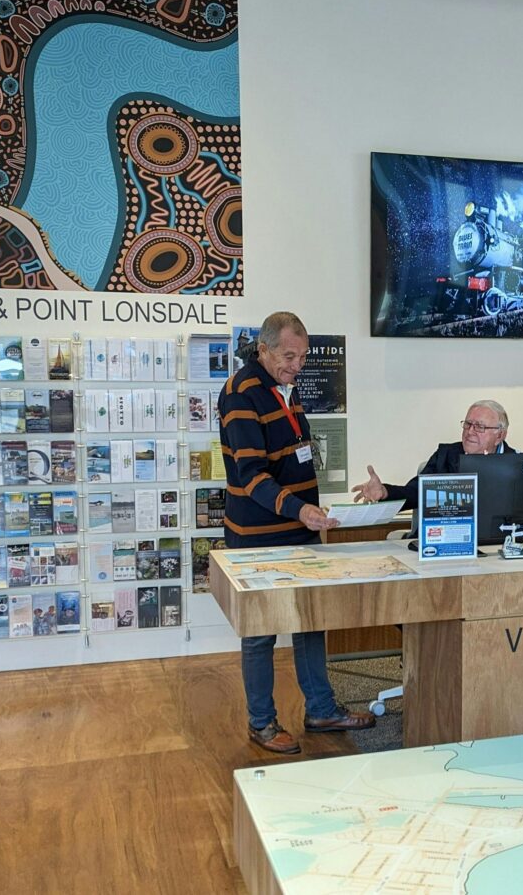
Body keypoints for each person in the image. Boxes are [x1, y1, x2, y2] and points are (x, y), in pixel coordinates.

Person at [220, 310, 375, 754]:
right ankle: (262, 724)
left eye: (303, 356)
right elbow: (250, 474)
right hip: (258, 535)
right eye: (289, 355)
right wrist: (299, 508)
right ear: (263, 348)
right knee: (261, 632)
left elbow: (296, 454)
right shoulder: (240, 394)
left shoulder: (286, 388)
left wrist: (307, 510)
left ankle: (321, 709)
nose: (297, 365)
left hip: (300, 526)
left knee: (312, 620)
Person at [351, 400, 516, 510]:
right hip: (445, 540)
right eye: (467, 424)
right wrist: (385, 492)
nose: (470, 431)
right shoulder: (446, 456)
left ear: (499, 436)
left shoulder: (517, 465)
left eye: (479, 426)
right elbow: (416, 492)